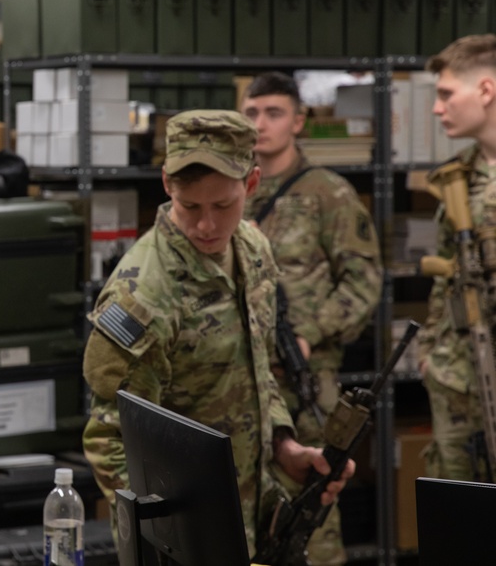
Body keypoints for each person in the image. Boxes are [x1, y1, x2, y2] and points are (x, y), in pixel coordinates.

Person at [82, 109, 354, 559]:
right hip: (183, 535)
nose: (207, 226)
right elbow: (109, 438)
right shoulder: (144, 293)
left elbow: (258, 370)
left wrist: (283, 446)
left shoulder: (253, 250)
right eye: (191, 207)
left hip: (254, 511)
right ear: (168, 186)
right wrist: (169, 534)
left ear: (250, 185)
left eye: (223, 206)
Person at [242, 72, 383, 565]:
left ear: (299, 120)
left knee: (313, 507)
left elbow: (364, 283)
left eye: (274, 113)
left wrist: (308, 336)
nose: (261, 124)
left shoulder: (329, 194)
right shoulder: (231, 191)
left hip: (306, 378)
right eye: (252, 113)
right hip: (239, 378)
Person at [417, 33, 496, 482]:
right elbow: (445, 272)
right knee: (459, 517)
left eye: (447, 94)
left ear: (485, 91)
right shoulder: (457, 178)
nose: (436, 107)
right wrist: (430, 350)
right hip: (456, 378)